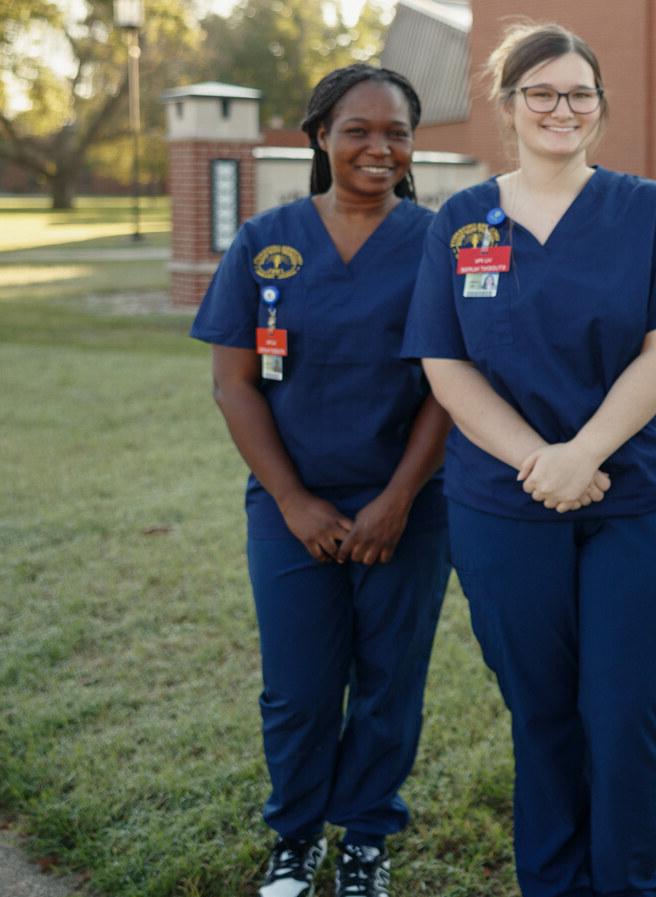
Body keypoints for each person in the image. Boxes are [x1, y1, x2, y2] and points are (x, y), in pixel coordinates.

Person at [401, 22, 656, 897]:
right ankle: (552, 883)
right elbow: (445, 362)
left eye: (579, 92)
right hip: (505, 505)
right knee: (541, 711)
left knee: (626, 713)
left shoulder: (647, 209)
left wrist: (584, 453)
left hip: (637, 495)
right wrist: (539, 462)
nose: (561, 108)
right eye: (540, 91)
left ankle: (627, 883)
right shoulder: (463, 222)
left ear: (600, 108)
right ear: (506, 107)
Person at [190, 64, 452, 897]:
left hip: (408, 505)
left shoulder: (436, 242)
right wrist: (295, 501)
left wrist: (398, 499)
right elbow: (235, 383)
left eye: (397, 133)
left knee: (388, 682)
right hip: (288, 509)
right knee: (299, 689)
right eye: (358, 130)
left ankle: (367, 838)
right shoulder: (265, 240)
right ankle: (295, 838)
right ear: (318, 137)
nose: (380, 148)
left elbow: (454, 383)